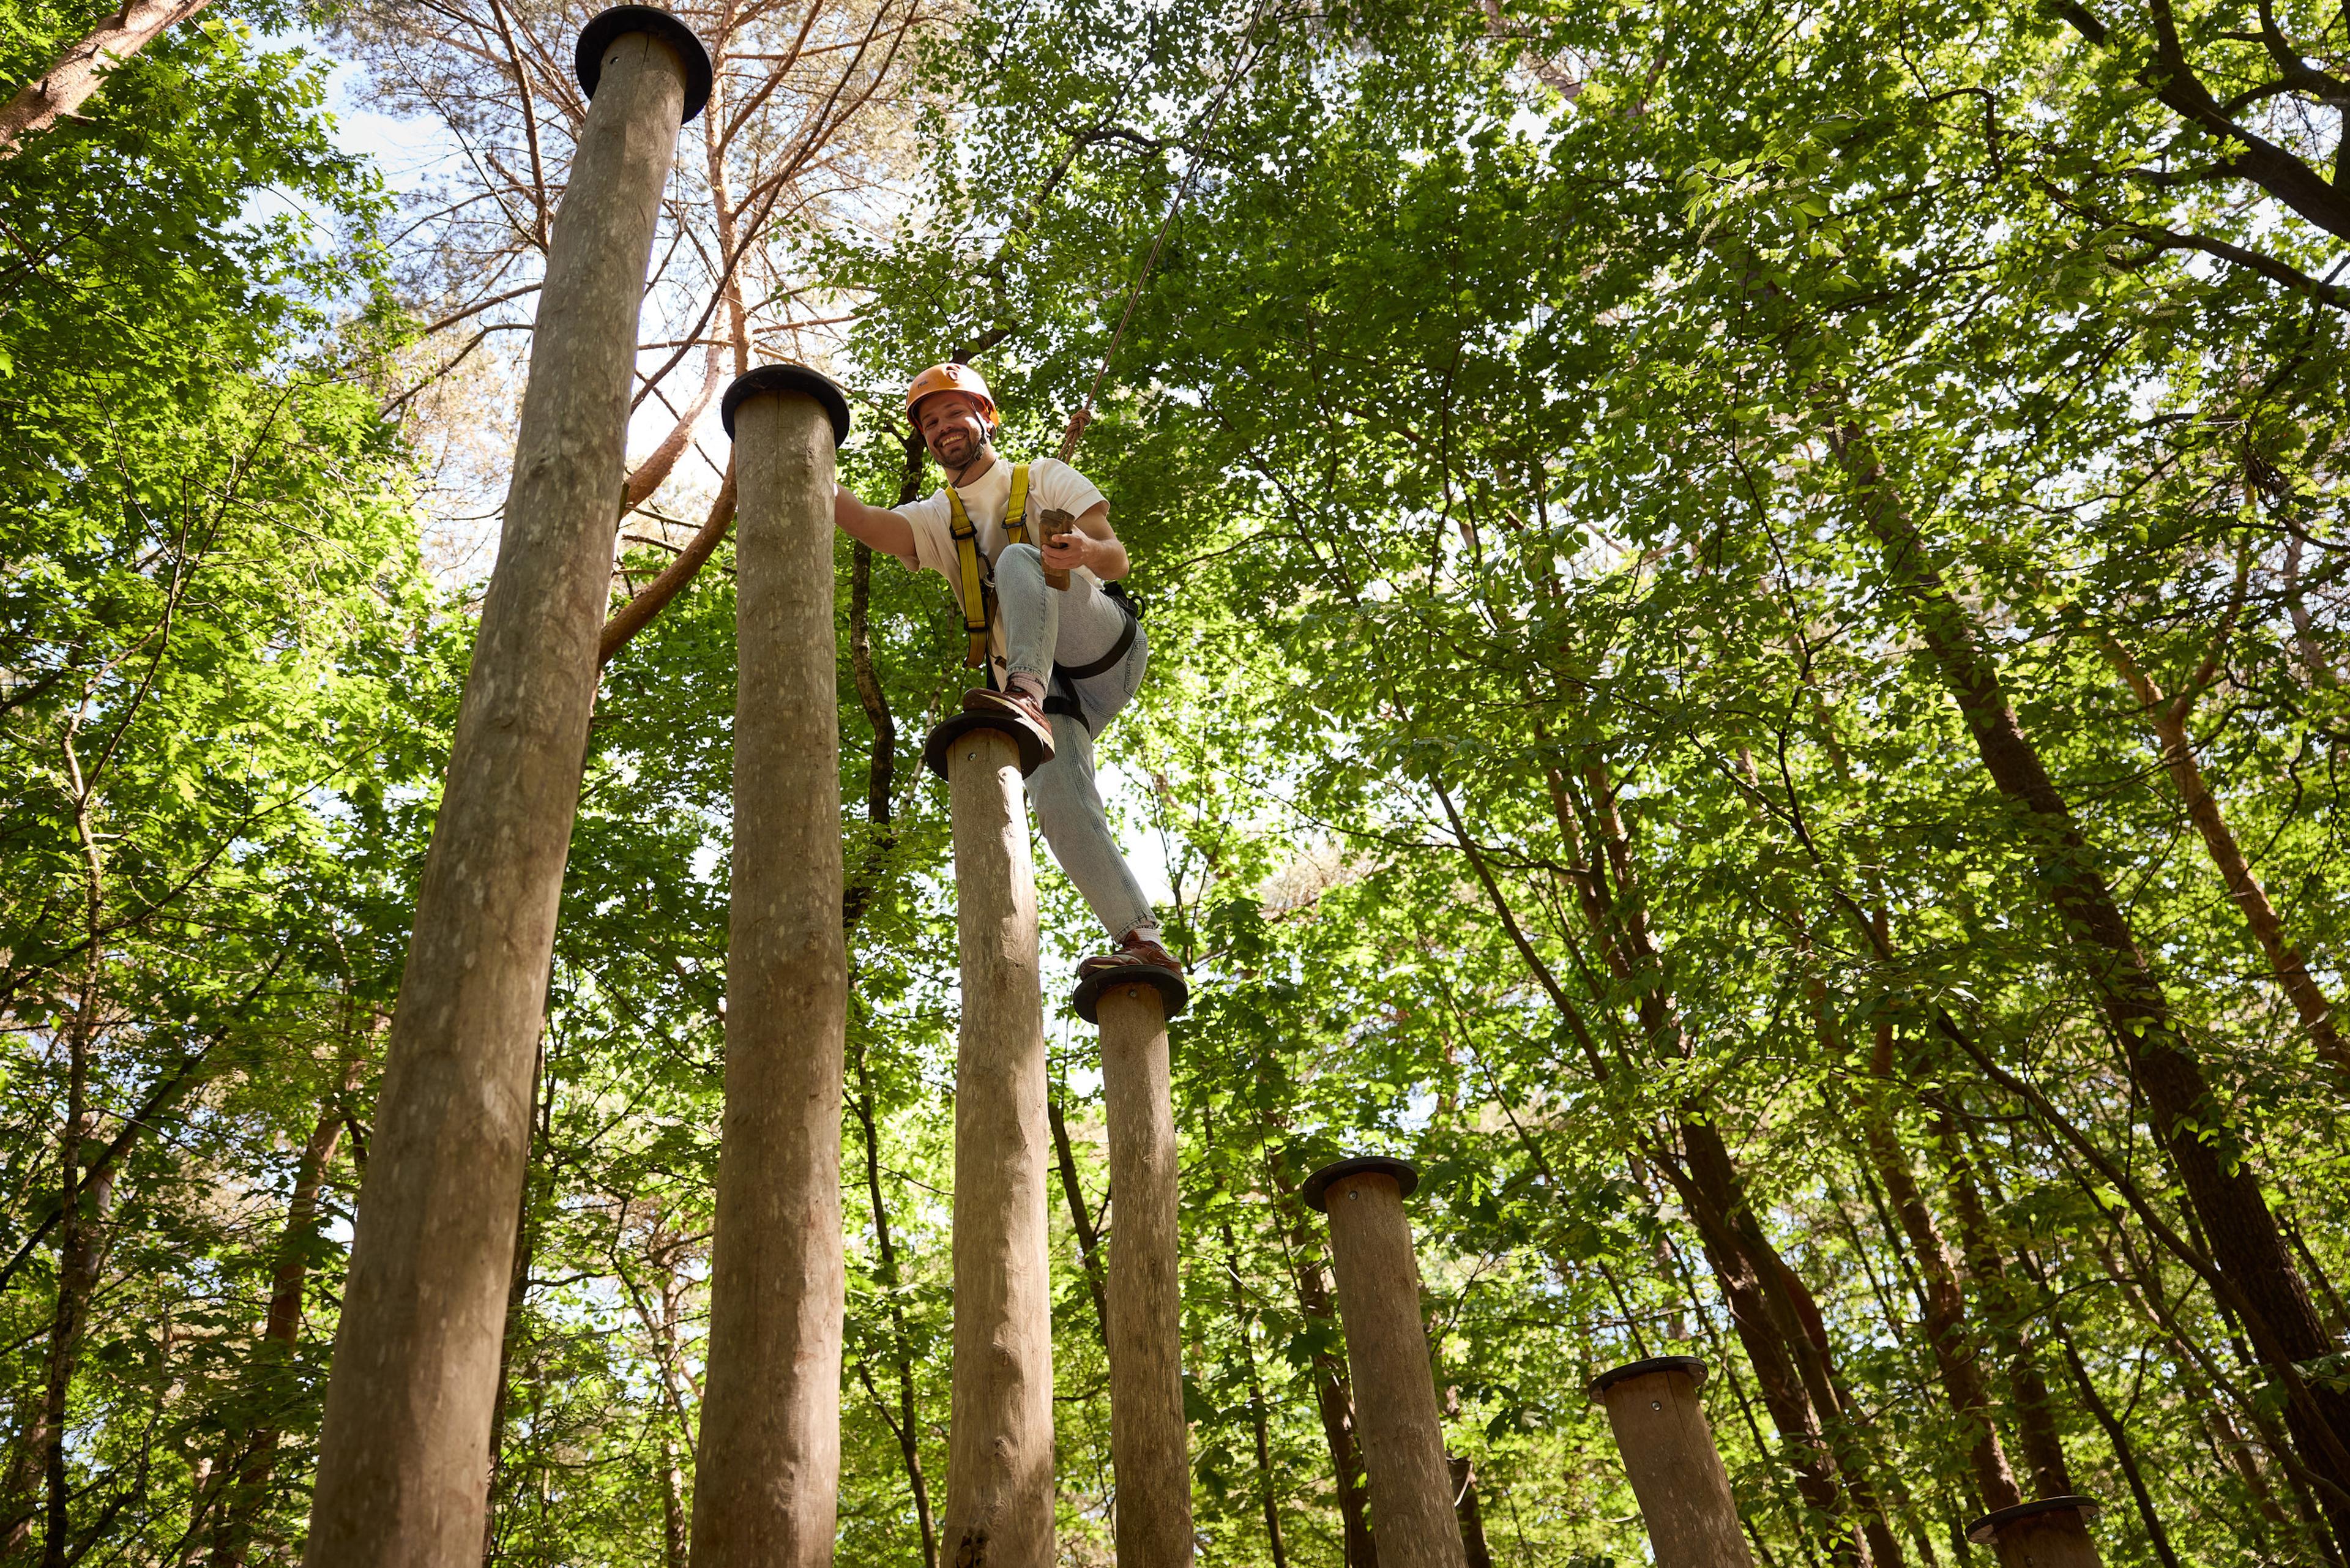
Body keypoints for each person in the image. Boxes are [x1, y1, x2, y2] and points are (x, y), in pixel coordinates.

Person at [830, 362, 1181, 980]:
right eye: (930, 422)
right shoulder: (937, 518)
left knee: (1023, 557)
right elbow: (863, 521)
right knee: (1056, 797)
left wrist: (1084, 553)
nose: (943, 429)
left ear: (985, 418)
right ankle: (1143, 939)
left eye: (954, 414)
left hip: (1100, 646)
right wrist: (800, 458)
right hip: (1055, 698)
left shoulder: (1044, 476)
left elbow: (1116, 556)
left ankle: (1021, 691)